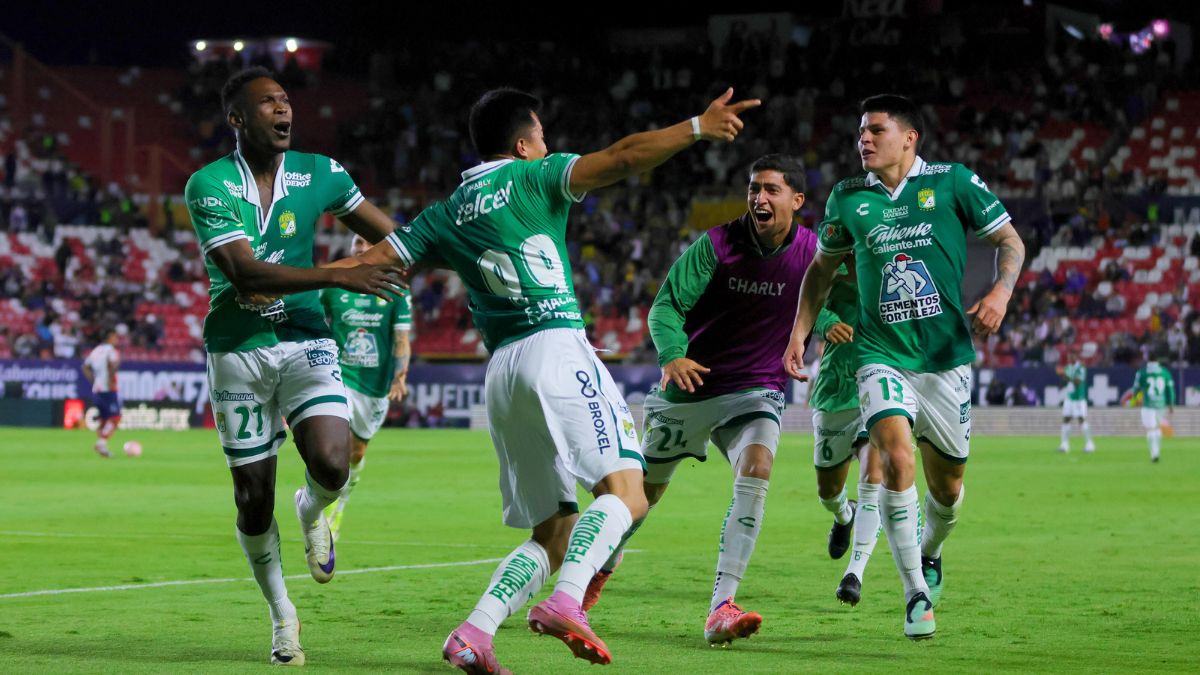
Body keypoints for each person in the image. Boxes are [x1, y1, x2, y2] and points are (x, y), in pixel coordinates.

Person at [346, 87, 758, 671]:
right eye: (542, 137)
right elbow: (621, 157)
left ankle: (474, 633)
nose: (550, 146)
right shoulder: (536, 177)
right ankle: (567, 599)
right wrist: (696, 126)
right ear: (522, 144)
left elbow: (369, 261)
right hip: (555, 346)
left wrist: (276, 278)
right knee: (627, 493)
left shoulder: (445, 212)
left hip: (504, 372)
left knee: (554, 531)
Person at [783, 94, 1025, 640]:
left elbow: (1010, 241)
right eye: (859, 132)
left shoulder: (952, 182)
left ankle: (931, 550)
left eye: (875, 130)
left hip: (945, 359)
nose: (863, 140)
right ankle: (915, 592)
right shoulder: (848, 198)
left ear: (909, 138)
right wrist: (800, 331)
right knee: (893, 455)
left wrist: (1001, 292)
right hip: (879, 353)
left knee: (949, 490)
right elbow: (821, 273)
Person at [184, 67, 404, 666]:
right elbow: (245, 273)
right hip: (237, 348)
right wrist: (338, 273)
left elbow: (392, 238)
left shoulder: (322, 173)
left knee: (332, 465)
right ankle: (284, 618)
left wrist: (464, 250)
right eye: (267, 104)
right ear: (237, 119)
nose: (283, 111)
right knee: (253, 498)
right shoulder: (208, 184)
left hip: (306, 336)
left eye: (285, 101)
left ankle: (314, 511)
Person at [577, 155, 817, 645]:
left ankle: (721, 607)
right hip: (691, 386)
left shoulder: (814, 251)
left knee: (757, 469)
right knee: (639, 502)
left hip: (756, 386)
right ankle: (594, 573)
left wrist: (827, 321)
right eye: (754, 188)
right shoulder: (716, 245)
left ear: (797, 200)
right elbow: (667, 305)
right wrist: (672, 356)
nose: (759, 198)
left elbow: (826, 292)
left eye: (771, 189)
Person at [320, 234, 414, 540]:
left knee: (356, 451)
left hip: (374, 387)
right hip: (338, 375)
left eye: (367, 244)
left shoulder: (396, 292)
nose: (362, 248)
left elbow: (401, 339)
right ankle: (316, 501)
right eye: (357, 243)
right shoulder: (333, 286)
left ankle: (341, 503)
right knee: (335, 442)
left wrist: (400, 377)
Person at [807, 258, 884, 607]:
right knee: (828, 492)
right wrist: (827, 323)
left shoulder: (892, 263)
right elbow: (806, 305)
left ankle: (854, 574)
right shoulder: (828, 266)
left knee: (874, 476)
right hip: (836, 391)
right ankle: (844, 514)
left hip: (881, 382)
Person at [1126, 350, 1176, 463]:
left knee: (1150, 429)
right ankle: (1156, 452)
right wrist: (1171, 404)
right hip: (1160, 404)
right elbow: (1170, 389)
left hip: (1148, 404)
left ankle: (1154, 454)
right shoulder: (1165, 372)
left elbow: (1136, 389)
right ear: (1158, 360)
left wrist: (1133, 400)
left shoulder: (1142, 372)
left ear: (1147, 359)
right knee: (1157, 428)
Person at [81, 329, 122, 457]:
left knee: (104, 420)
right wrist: (110, 381)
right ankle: (101, 443)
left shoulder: (96, 350)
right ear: (110, 337)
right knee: (115, 418)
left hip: (97, 389)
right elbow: (112, 365)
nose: (117, 339)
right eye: (115, 337)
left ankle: (103, 447)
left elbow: (85, 367)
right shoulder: (111, 351)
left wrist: (94, 381)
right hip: (108, 389)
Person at [1056, 347, 1094, 453]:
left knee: (1081, 420)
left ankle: (1089, 444)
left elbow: (1078, 381)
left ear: (1076, 356)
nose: (1069, 358)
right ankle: (1064, 445)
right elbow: (1065, 381)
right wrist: (1061, 378)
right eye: (1069, 356)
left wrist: (1065, 375)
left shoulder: (1081, 367)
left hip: (1079, 399)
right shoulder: (1068, 367)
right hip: (1069, 398)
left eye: (1072, 355)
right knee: (1066, 419)